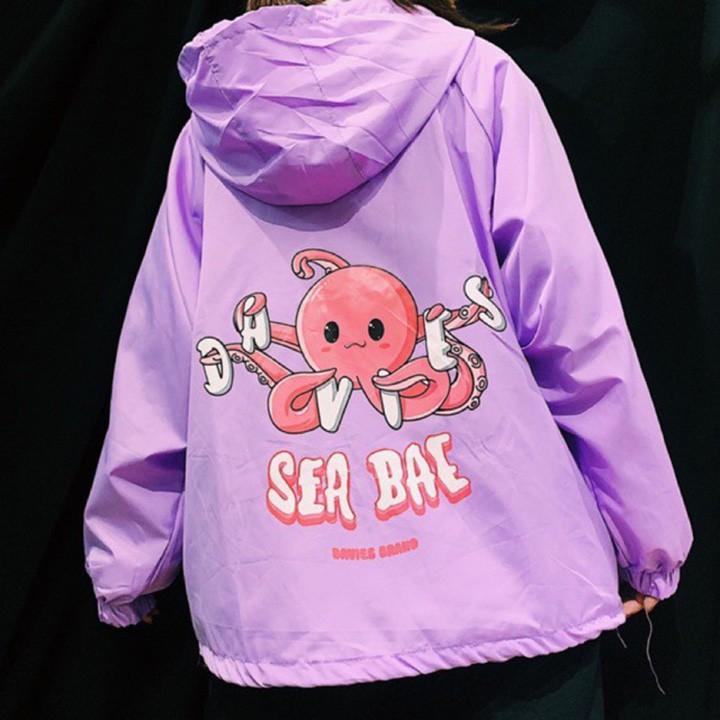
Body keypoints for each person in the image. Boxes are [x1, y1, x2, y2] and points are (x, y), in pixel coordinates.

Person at [82, 0, 693, 716]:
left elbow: (162, 366)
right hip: (510, 604)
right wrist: (647, 539)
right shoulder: (477, 84)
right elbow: (575, 330)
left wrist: (128, 562)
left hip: (288, 623)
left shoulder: (215, 133)